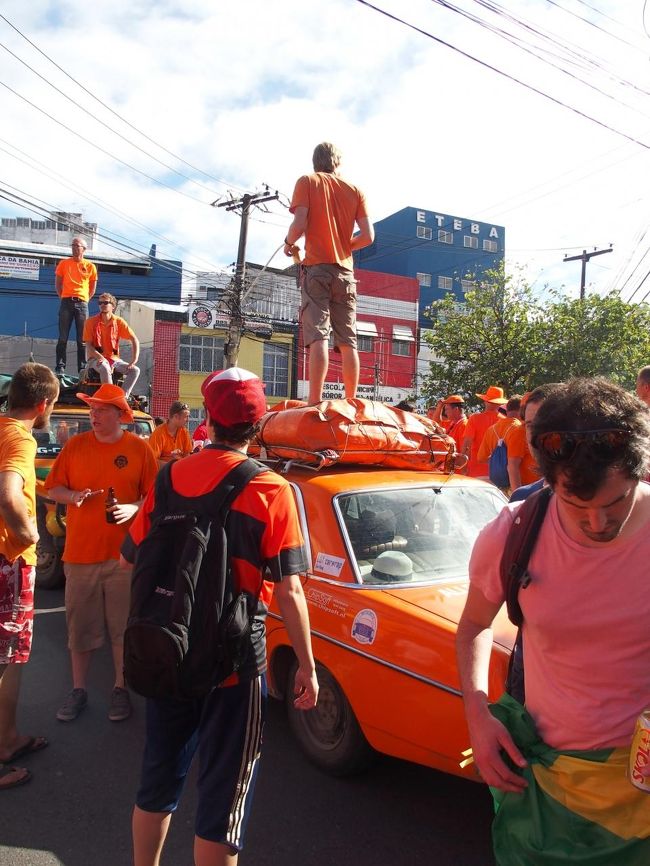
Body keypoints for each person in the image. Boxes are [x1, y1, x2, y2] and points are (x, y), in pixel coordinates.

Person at [121, 367, 319, 866]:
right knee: (223, 802)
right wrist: (308, 667)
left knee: (158, 779)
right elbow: (291, 588)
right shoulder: (273, 490)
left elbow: (131, 557)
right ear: (260, 422)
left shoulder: (169, 476)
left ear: (207, 418)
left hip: (169, 645)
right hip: (233, 663)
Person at [456, 377, 650, 864]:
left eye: (616, 502)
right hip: (546, 779)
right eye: (576, 506)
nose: (598, 524)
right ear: (546, 480)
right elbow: (475, 624)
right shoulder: (515, 532)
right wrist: (478, 717)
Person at [45, 384, 157, 724]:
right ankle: (79, 689)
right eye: (92, 409)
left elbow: (154, 500)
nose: (93, 415)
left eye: (101, 410)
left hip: (124, 557)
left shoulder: (139, 450)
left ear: (119, 415)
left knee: (122, 628)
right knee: (79, 628)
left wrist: (132, 507)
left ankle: (120, 687)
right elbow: (54, 489)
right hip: (79, 555)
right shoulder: (75, 447)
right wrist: (73, 496)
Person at [0, 363, 59, 790]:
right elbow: (7, 493)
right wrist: (29, 533)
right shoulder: (20, 437)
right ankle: (6, 741)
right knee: (10, 654)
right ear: (43, 404)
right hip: (10, 558)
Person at [284, 142, 374, 405]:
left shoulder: (307, 182)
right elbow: (368, 236)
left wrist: (289, 244)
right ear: (337, 163)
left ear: (315, 162)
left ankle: (314, 402)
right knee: (348, 340)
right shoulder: (355, 190)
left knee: (318, 336)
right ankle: (352, 401)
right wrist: (346, 246)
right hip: (346, 273)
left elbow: (299, 224)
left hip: (318, 269)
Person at [507, 384, 561, 501]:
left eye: (546, 425)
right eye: (530, 425)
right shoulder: (522, 500)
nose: (536, 435)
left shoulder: (602, 495)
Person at [83, 292, 140, 398]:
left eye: (105, 302)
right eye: (100, 303)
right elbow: (89, 346)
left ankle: (121, 398)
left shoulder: (119, 322)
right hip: (95, 359)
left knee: (135, 370)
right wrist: (101, 357)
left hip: (114, 360)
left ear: (113, 306)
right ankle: (109, 397)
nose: (102, 305)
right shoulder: (90, 322)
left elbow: (134, 339)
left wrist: (134, 360)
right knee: (104, 367)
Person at [55, 236, 98, 375]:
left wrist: (84, 300)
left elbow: (92, 288)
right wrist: (63, 296)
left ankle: (82, 368)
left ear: (83, 249)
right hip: (66, 302)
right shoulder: (63, 264)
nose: (74, 247)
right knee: (63, 337)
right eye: (72, 245)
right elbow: (58, 283)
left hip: (82, 304)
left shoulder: (90, 266)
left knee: (82, 339)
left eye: (77, 245)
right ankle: (60, 367)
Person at [461, 385, 508, 478]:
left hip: (476, 472)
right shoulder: (505, 421)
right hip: (499, 473)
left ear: (485, 401)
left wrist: (463, 467)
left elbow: (467, 444)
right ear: (500, 404)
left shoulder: (475, 418)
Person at [148, 401, 192, 468]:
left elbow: (187, 454)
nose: (188, 420)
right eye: (186, 417)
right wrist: (172, 466)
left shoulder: (184, 432)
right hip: (163, 474)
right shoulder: (159, 433)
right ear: (176, 416)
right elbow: (152, 461)